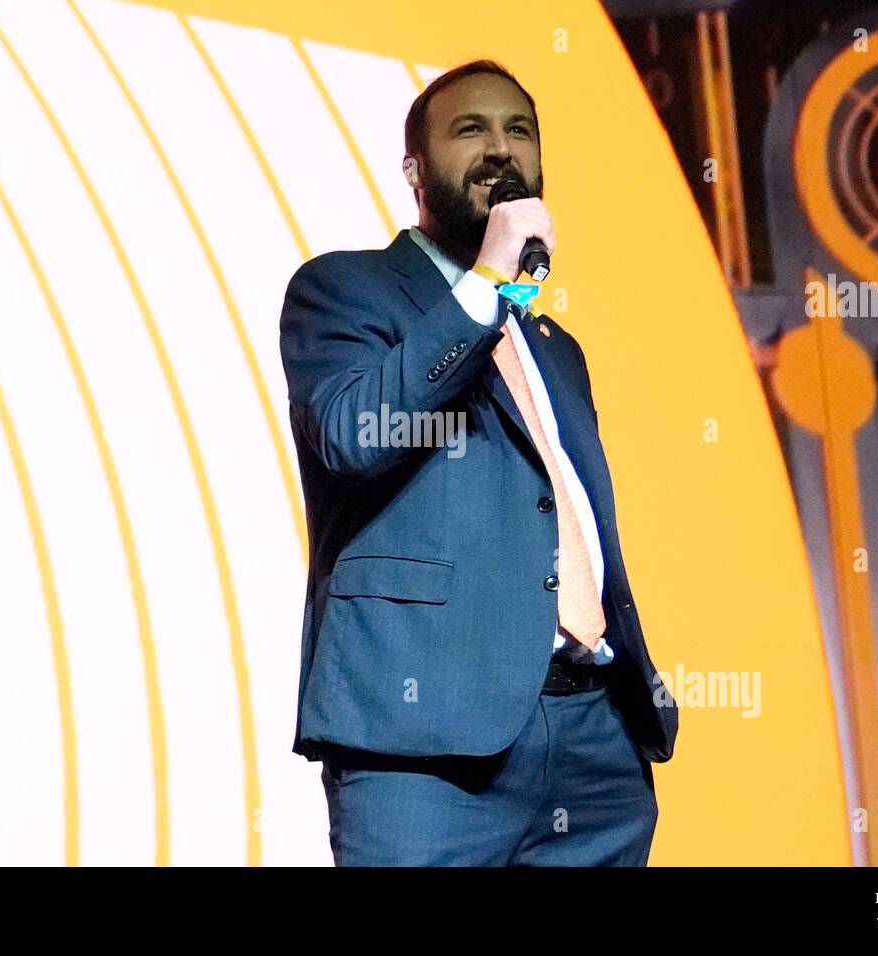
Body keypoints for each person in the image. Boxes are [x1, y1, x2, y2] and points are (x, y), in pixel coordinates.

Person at [278, 59, 677, 866]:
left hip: (595, 737)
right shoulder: (344, 290)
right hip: (424, 744)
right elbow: (359, 434)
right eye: (470, 130)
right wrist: (489, 280)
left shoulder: (556, 349)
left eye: (518, 131)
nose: (500, 149)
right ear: (414, 170)